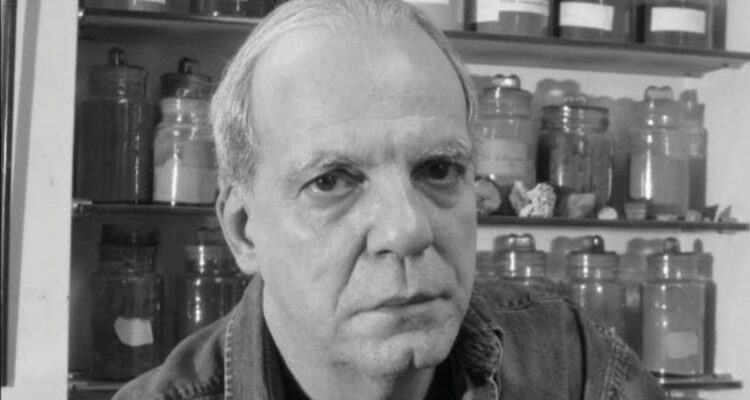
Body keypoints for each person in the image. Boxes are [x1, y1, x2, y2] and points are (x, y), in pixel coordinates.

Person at [115, 0, 666, 399]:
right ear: (243, 230)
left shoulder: (575, 369)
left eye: (439, 169)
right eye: (331, 181)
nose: (408, 230)